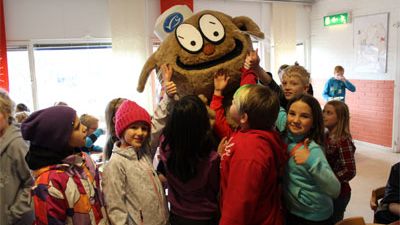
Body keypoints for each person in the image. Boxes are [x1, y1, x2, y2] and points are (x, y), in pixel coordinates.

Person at [21, 105, 108, 225]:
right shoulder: (48, 183)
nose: (84, 129)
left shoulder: (84, 161)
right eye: (77, 127)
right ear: (59, 138)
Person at [219, 84, 288, 225]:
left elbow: (239, 204)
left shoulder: (250, 154)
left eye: (234, 102)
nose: (231, 104)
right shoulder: (248, 131)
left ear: (244, 117)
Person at [102, 99, 169, 225]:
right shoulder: (115, 164)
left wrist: (168, 98)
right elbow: (116, 209)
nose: (140, 133)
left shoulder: (144, 153)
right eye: (134, 127)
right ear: (122, 129)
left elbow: (158, 123)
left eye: (144, 128)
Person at [158, 95, 220, 225]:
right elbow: (215, 188)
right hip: (205, 216)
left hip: (176, 215)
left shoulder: (165, 146)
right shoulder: (211, 158)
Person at [284, 94, 341, 225]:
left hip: (314, 216)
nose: (296, 120)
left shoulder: (313, 151)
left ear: (314, 122)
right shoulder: (287, 138)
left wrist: (310, 161)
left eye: (304, 116)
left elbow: (335, 189)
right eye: (292, 113)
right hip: (294, 210)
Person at [0, 89, 34, 225]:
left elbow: (32, 183)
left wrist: (12, 214)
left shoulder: (17, 143)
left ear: (7, 113)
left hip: (16, 220)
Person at [323, 100, 356, 224]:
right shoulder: (326, 135)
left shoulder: (343, 141)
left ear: (340, 118)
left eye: (329, 113)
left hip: (339, 193)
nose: (324, 115)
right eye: (323, 111)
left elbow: (350, 170)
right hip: (327, 190)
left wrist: (331, 180)